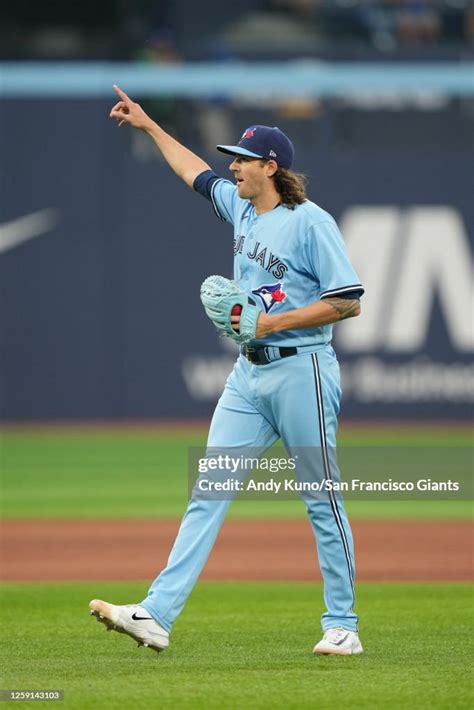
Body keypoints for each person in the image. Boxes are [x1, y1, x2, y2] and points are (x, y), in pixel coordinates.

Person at [89, 85, 365, 656]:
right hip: (249, 376)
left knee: (321, 496)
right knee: (208, 491)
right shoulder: (241, 205)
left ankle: (343, 625)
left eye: (241, 159)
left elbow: (349, 300)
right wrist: (148, 125)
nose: (231, 166)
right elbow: (193, 171)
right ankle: (156, 615)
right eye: (231, 159)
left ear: (271, 166)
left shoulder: (311, 223)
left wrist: (270, 324)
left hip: (302, 370)